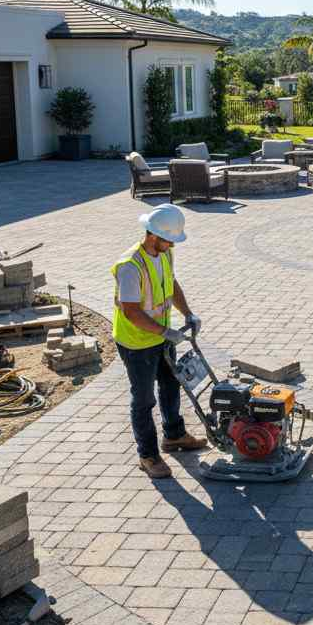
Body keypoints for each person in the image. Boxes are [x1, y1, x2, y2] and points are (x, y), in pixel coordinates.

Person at [111, 204, 206, 479]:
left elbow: (171, 284)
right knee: (143, 400)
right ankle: (148, 455)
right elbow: (130, 311)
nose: (173, 244)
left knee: (171, 384)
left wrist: (187, 312)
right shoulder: (130, 266)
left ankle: (174, 436)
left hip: (161, 334)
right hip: (136, 342)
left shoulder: (165, 253)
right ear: (153, 235)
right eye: (170, 239)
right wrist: (164, 332)